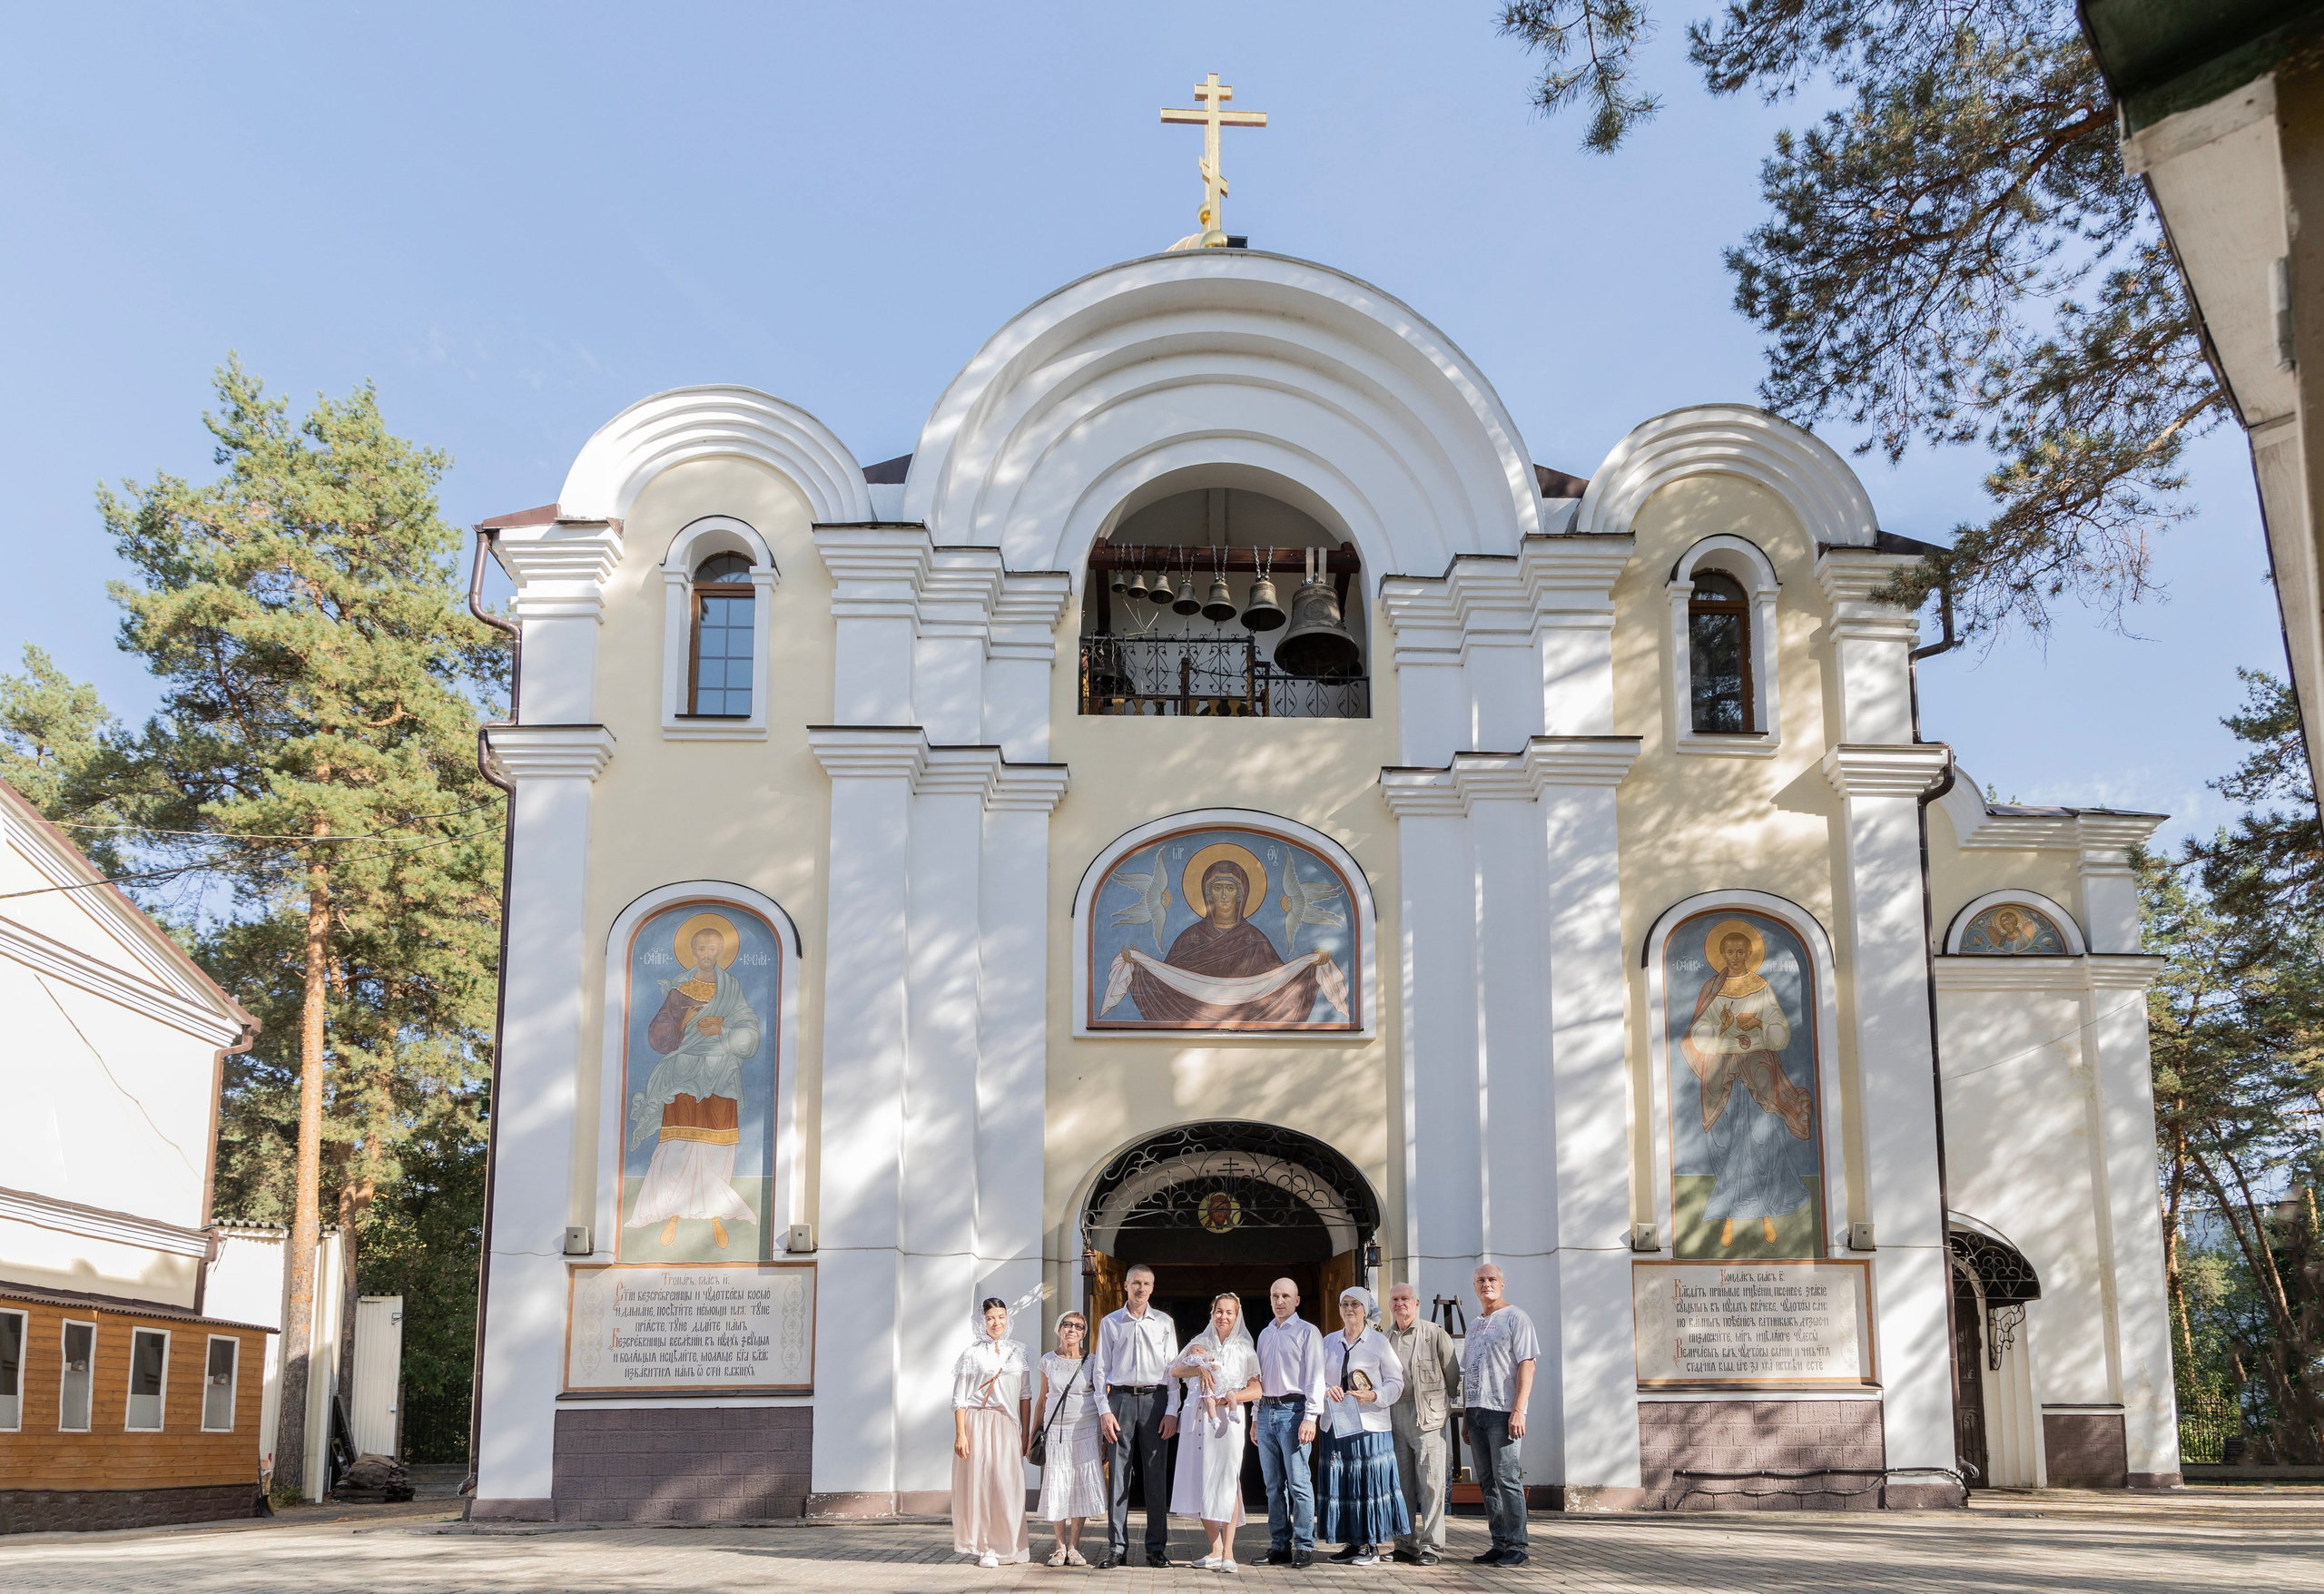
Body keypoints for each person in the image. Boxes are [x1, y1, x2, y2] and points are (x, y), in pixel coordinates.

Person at [1166, 1293, 1263, 1572]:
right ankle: (1215, 1549)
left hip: (1228, 1421)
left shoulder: (1246, 1348)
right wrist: (1198, 1372)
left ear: (1237, 1316)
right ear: (1212, 1313)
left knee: (1228, 1480)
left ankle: (1230, 1552)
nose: (1223, 1316)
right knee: (1201, 1479)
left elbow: (1257, 1389)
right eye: (1219, 1311)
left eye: (1229, 1312)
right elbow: (1173, 1370)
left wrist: (1229, 1396)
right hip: (1197, 1419)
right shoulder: (1199, 1342)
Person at [1094, 1264, 1179, 1568]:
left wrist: (1172, 1411)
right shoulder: (1110, 1322)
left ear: (1153, 1288)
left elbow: (1173, 1371)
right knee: (1118, 1477)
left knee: (1156, 1476)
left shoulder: (1164, 1323)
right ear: (1126, 1285)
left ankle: (1156, 1548)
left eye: (1146, 1284)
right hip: (1120, 1400)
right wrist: (1104, 1410)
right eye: (1135, 1283)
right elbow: (1100, 1370)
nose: (1141, 1288)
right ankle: (1116, 1547)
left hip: (1156, 1400)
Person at [1316, 1286, 1407, 1567]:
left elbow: (1396, 1382)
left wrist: (1375, 1395)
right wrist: (1325, 1390)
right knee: (1343, 1482)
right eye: (1344, 1303)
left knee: (1366, 1483)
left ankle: (1371, 1545)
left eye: (1355, 1304)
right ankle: (1351, 1541)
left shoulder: (1378, 1342)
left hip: (1369, 1423)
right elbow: (1314, 1378)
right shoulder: (1329, 1341)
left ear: (1366, 1310)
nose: (1349, 1309)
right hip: (1336, 1422)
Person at [1462, 1264, 1539, 1568]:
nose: (1486, 1284)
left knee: (1507, 1479)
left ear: (1502, 1284)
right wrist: (1467, 1416)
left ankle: (1518, 1546)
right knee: (1487, 1481)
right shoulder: (1473, 1325)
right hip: (1477, 1412)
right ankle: (1500, 1542)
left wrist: (1519, 1410)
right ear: (1474, 1286)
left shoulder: (1516, 1317)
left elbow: (1527, 1365)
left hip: (1503, 1411)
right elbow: (1468, 1373)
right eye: (1480, 1280)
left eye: (1491, 1279)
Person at [1383, 1283, 1460, 1565]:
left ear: (1416, 1304)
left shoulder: (1433, 1333)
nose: (1400, 1303)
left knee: (1431, 1483)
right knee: (1401, 1484)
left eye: (1405, 1299)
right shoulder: (1386, 1337)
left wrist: (1441, 1404)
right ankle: (1403, 1544)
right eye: (1395, 1299)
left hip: (1427, 1415)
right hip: (1394, 1415)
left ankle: (1431, 1547)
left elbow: (1452, 1374)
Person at [1252, 1275, 1327, 1568]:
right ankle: (1279, 1545)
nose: (1279, 1301)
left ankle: (1304, 1546)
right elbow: (1257, 1378)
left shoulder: (1308, 1332)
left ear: (1296, 1300)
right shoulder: (1265, 1333)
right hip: (1267, 1411)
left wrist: (1310, 1417)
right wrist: (1255, 1416)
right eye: (1274, 1296)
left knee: (1298, 1484)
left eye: (1285, 1296)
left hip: (1294, 1412)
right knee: (1273, 1485)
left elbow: (1315, 1377)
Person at [953, 1295, 1031, 1569]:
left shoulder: (1018, 1352)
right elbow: (960, 1398)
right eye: (990, 1318)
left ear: (1007, 1319)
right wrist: (961, 1434)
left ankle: (1011, 1544)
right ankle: (986, 1547)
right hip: (978, 1423)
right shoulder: (971, 1354)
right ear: (981, 1321)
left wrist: (1024, 1434)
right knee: (982, 1486)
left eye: (1000, 1317)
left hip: (1007, 1425)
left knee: (1008, 1486)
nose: (996, 1323)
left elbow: (1025, 1396)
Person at [1032, 1310, 1106, 1566]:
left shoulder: (1093, 1361)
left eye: (1079, 1326)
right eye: (1067, 1324)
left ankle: (1074, 1546)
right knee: (1058, 1485)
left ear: (1084, 1333)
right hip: (1055, 1433)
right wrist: (1032, 1434)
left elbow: (1100, 1397)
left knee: (1079, 1487)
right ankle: (1059, 1547)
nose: (1072, 1329)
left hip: (1086, 1431)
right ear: (1059, 1328)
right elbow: (1042, 1399)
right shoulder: (1047, 1361)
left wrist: (1104, 1436)